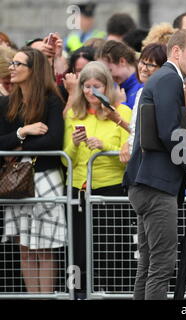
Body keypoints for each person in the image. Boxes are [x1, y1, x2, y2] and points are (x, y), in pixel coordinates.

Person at [124, 29, 186, 300]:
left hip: (147, 183)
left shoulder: (164, 78)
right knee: (161, 266)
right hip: (155, 186)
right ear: (176, 52)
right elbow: (169, 131)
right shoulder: (170, 78)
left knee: (148, 266)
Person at [62, 61, 132, 298]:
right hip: (79, 189)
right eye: (86, 86)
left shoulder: (122, 113)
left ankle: (115, 292)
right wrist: (75, 143)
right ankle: (79, 293)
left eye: (96, 86)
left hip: (110, 189)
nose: (91, 92)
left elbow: (126, 154)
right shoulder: (74, 113)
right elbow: (65, 159)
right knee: (79, 248)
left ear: (107, 87)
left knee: (111, 248)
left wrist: (105, 146)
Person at [0, 47, 66, 293]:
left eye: (19, 64)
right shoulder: (7, 103)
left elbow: (54, 141)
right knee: (24, 248)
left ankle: (45, 298)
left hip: (45, 178)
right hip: (16, 182)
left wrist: (16, 145)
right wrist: (23, 132)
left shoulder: (52, 100)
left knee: (44, 248)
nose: (12, 68)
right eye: (12, 63)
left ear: (33, 70)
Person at [119, 43, 167, 164]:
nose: (144, 68)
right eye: (142, 62)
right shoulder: (142, 91)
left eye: (151, 65)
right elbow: (137, 128)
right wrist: (128, 143)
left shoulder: (164, 93)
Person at [98, 40, 144, 109]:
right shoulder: (115, 87)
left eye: (109, 70)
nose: (108, 77)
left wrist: (122, 104)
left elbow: (136, 119)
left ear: (122, 61)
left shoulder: (142, 87)